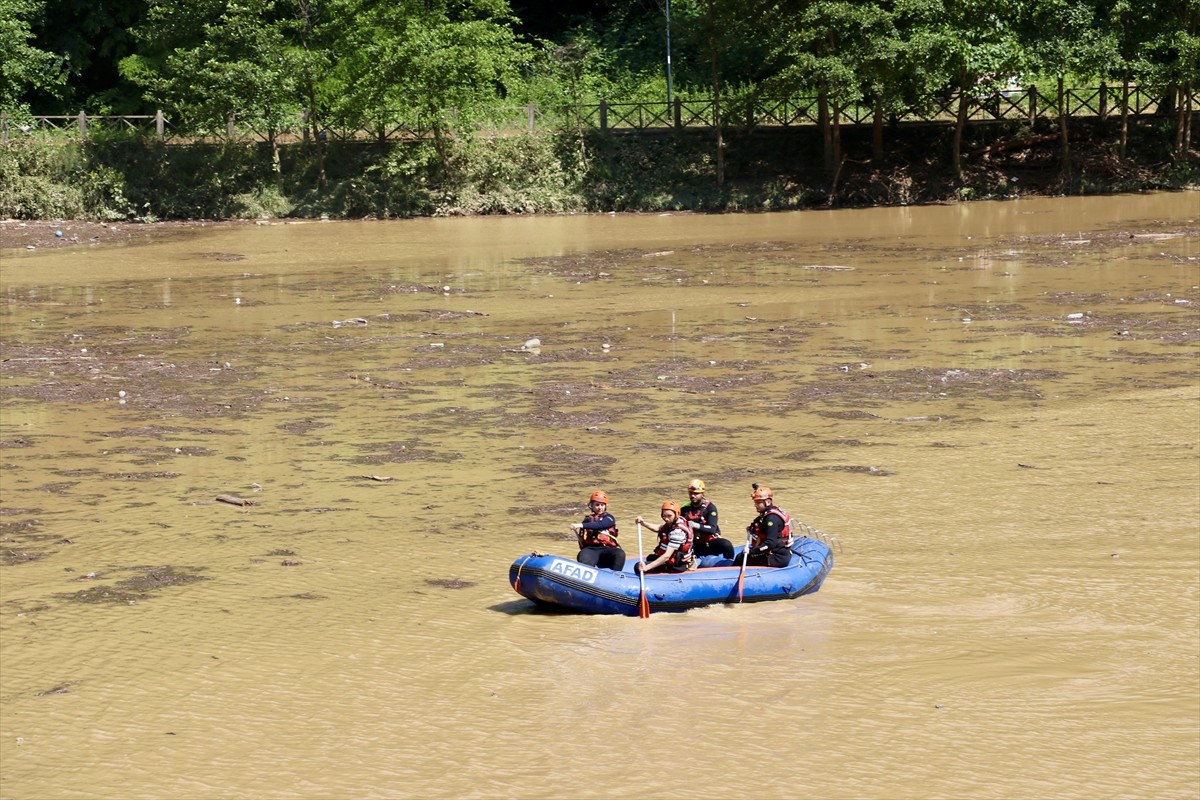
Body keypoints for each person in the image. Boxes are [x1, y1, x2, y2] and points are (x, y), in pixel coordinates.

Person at [634, 500, 695, 574]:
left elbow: (667, 556)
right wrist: (643, 523)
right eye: (664, 515)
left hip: (676, 565)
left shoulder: (678, 532)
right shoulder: (675, 522)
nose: (666, 519)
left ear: (677, 514)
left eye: (669, 516)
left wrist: (646, 568)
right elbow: (658, 528)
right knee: (650, 558)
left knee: (637, 567)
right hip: (671, 559)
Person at [680, 479, 734, 560]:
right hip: (694, 543)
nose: (693, 496)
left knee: (727, 545)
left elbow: (712, 529)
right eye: (691, 493)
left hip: (710, 542)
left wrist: (696, 525)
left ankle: (730, 564)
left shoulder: (710, 508)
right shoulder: (685, 508)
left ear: (702, 494)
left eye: (696, 493)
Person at [741, 486, 794, 568]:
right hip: (777, 551)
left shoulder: (771, 519)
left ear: (768, 502)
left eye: (758, 503)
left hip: (776, 557)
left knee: (740, 557)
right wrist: (752, 528)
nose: (755, 505)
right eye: (755, 502)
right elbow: (759, 523)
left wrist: (752, 552)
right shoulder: (768, 513)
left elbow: (770, 544)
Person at [572, 490, 626, 571]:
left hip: (607, 550)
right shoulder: (587, 520)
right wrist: (580, 525)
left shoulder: (609, 518)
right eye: (597, 505)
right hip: (591, 550)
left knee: (620, 553)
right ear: (592, 506)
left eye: (602, 505)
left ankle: (615, 575)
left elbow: (601, 525)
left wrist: (580, 525)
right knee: (582, 555)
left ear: (605, 506)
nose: (600, 507)